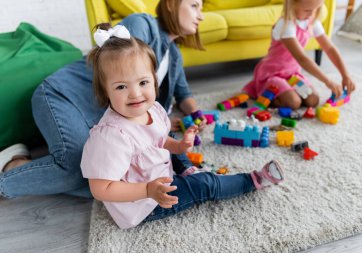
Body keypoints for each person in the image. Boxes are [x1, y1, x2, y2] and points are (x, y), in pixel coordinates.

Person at [81, 25, 286, 229]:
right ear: (105, 91)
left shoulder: (151, 109)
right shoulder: (111, 136)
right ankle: (255, 180)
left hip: (157, 174)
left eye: (143, 82)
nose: (135, 94)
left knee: (166, 133)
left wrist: (179, 146)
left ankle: (187, 169)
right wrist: (148, 190)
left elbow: (159, 140)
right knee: (204, 184)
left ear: (154, 80)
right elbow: (101, 189)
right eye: (121, 87)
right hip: (145, 203)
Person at [0, 0, 207, 199]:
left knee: (112, 181)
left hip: (97, 114)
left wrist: (196, 114)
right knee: (80, 169)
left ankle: (24, 162)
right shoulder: (142, 24)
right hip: (63, 96)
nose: (201, 16)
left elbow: (184, 94)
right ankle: (11, 171)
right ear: (171, 3)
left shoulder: (174, 55)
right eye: (194, 5)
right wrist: (143, 119)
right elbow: (123, 73)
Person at [242, 0, 356, 110]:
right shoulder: (285, 25)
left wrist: (345, 75)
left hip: (292, 75)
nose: (312, 14)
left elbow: (330, 48)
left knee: (313, 100)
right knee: (294, 102)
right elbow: (302, 59)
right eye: (307, 10)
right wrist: (327, 81)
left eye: (316, 9)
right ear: (292, 4)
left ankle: (287, 89)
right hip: (273, 74)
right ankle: (264, 92)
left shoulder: (311, 21)